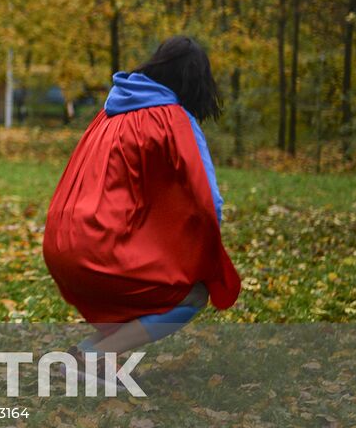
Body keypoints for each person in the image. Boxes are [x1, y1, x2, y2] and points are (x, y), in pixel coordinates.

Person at [43, 36, 241, 355]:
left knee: (144, 290)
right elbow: (210, 200)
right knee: (192, 294)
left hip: (61, 246)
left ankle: (84, 353)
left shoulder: (109, 113)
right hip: (100, 252)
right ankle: (98, 357)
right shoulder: (175, 120)